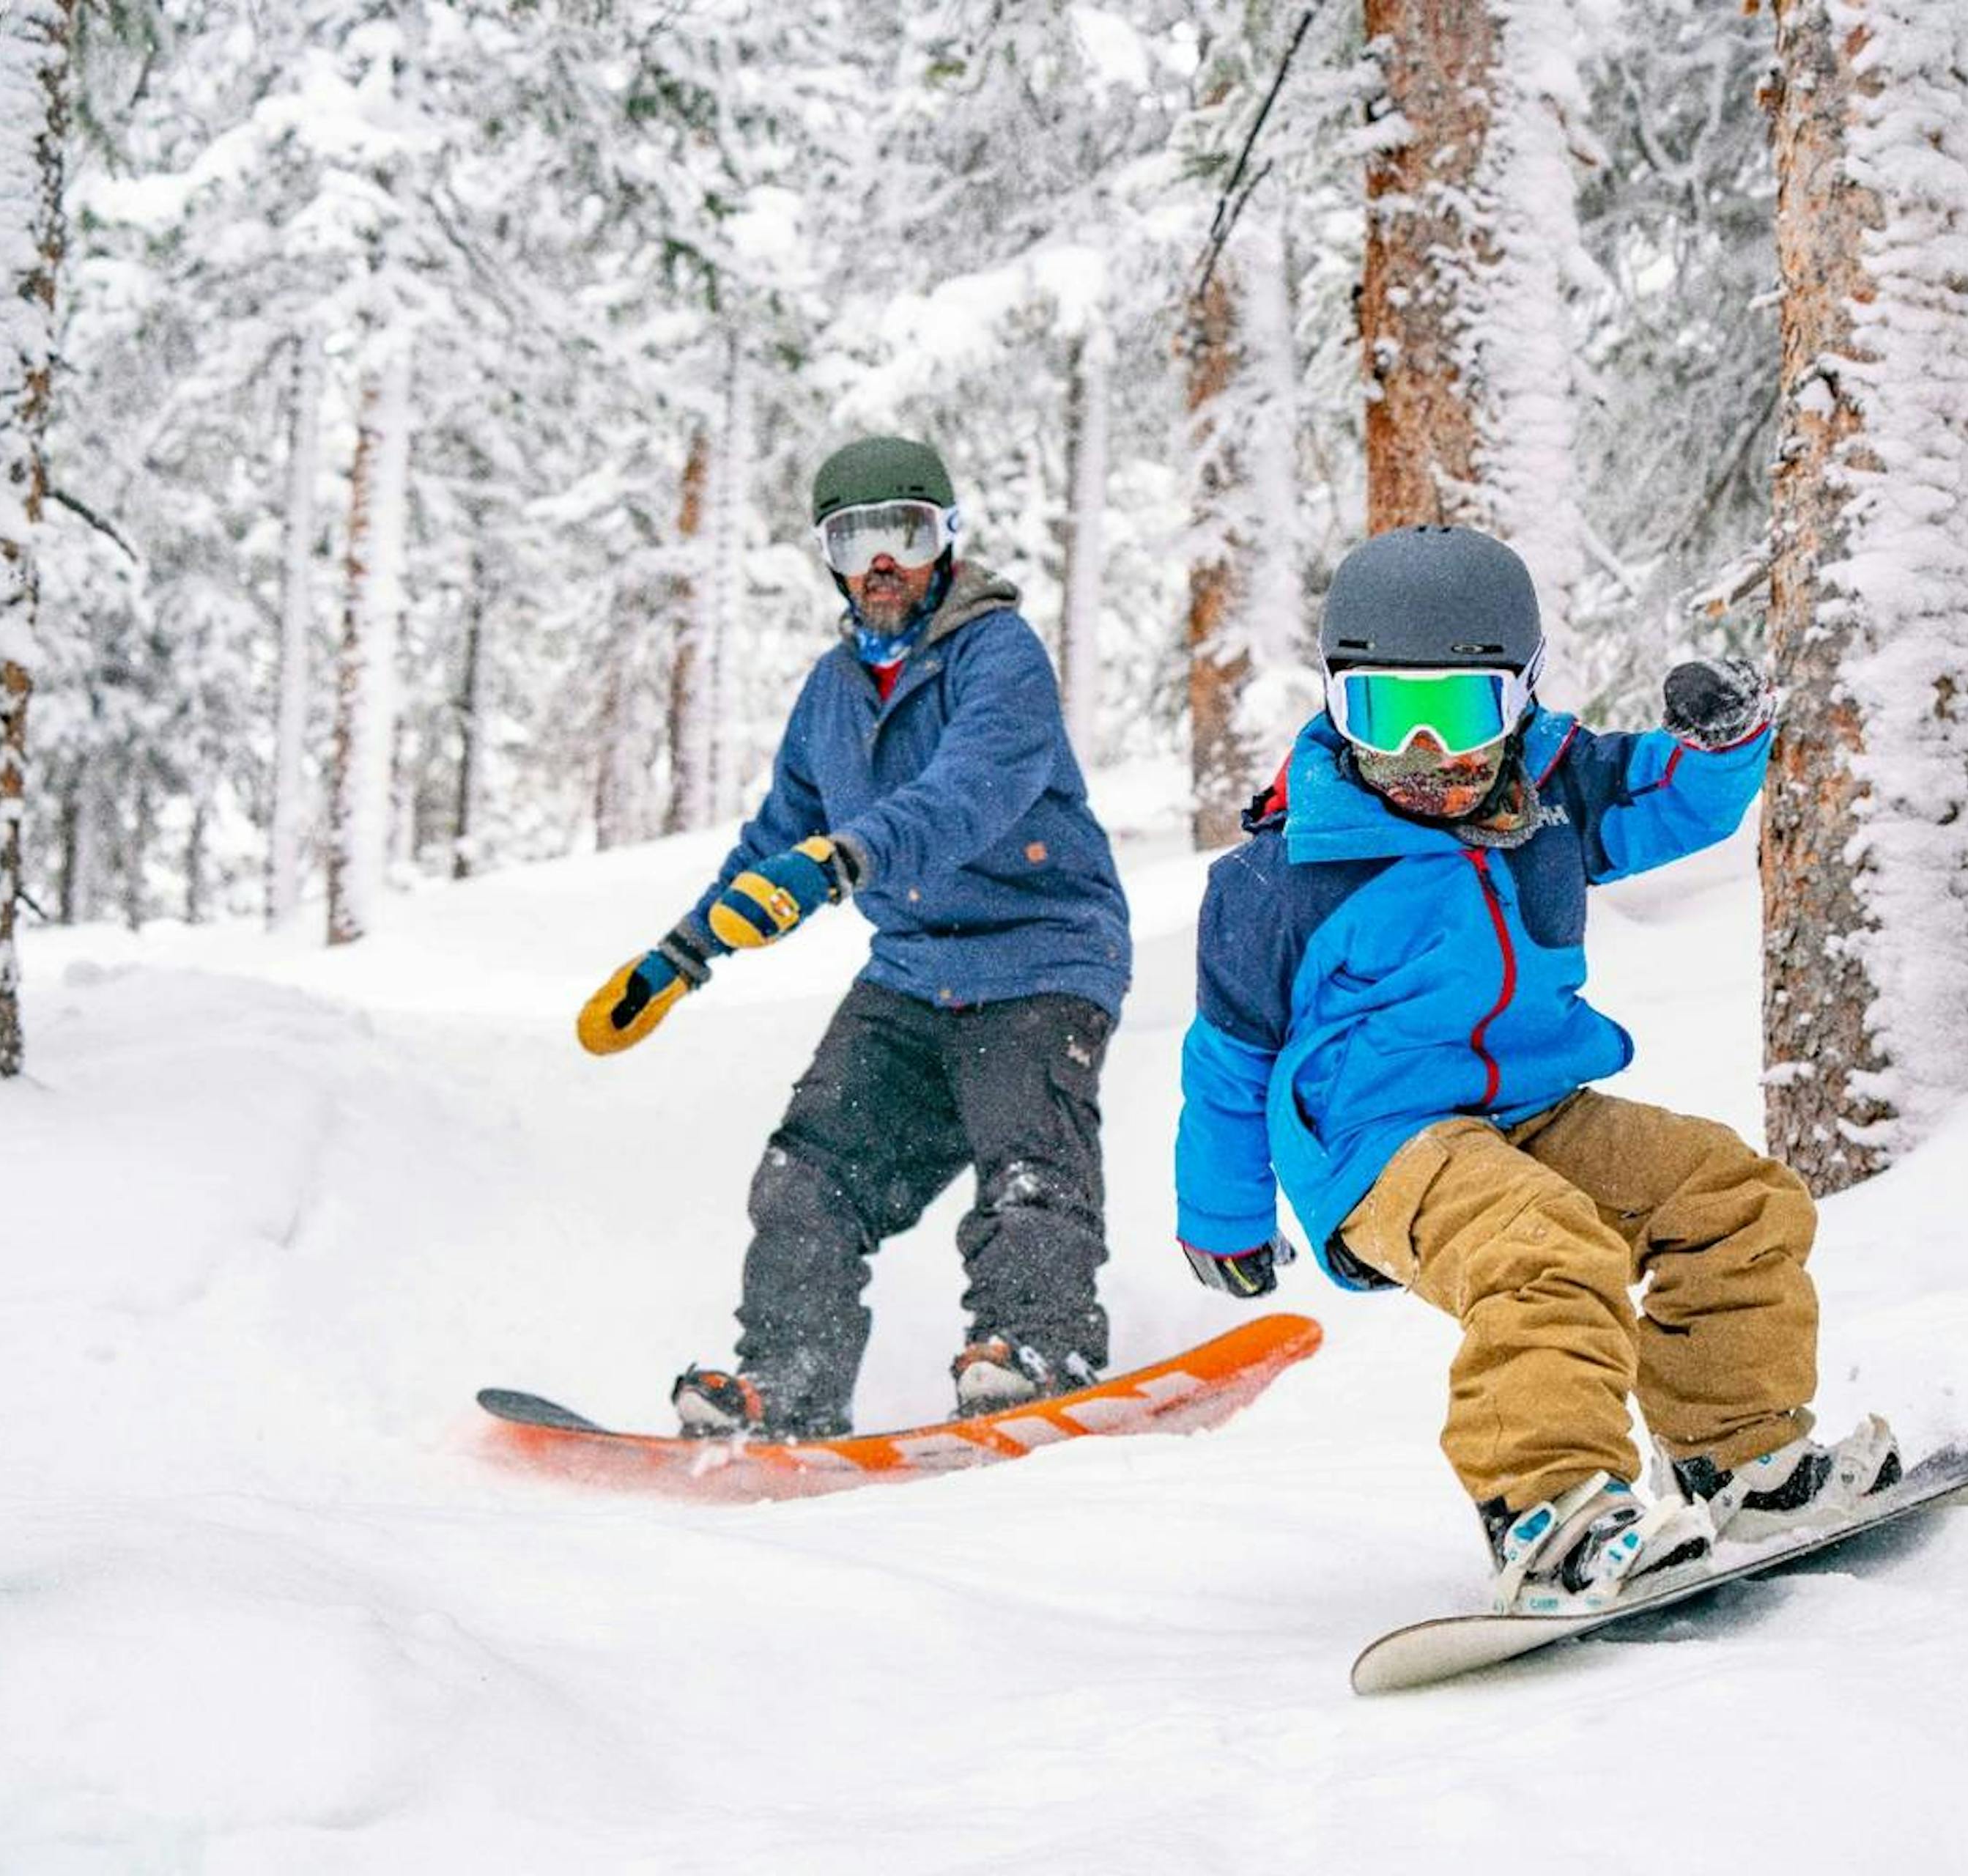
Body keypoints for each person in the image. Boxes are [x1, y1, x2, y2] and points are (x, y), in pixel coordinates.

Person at [1172, 524, 1896, 1614]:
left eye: (1460, 713)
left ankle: (1736, 1460)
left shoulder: (1555, 798)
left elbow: (1675, 801)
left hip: (1532, 1107)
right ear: (1332, 701)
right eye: (1383, 713)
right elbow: (1226, 1064)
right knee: (1547, 1252)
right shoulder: (1280, 878)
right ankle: (1548, 1511)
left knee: (1729, 1197)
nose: (1423, 754)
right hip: (1379, 1144)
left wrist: (1721, 744)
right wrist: (1220, 1221)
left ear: (1520, 701)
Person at [578, 435, 1131, 1440]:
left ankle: (1039, 1346)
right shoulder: (831, 691)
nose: (883, 562)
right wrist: (680, 956)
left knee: (1026, 1167)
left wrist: (845, 860)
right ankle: (789, 1381)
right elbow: (776, 837)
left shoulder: (999, 654)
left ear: (947, 541)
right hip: (913, 973)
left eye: (906, 534)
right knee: (811, 1171)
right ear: (827, 556)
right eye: (855, 538)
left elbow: (970, 794)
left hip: (1042, 955)